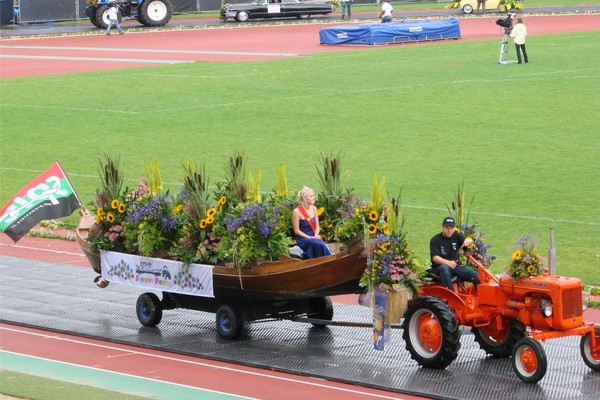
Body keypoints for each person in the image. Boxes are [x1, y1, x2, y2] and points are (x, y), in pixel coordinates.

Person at [429, 216, 480, 292]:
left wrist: (468, 241)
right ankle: (452, 295)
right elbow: (435, 258)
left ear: (454, 228)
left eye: (451, 228)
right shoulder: (435, 240)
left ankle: (481, 297)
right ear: (442, 227)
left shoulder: (457, 236)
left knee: (475, 276)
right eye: (447, 228)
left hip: (455, 266)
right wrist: (448, 263)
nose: (449, 230)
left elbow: (467, 243)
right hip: (439, 267)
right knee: (444, 267)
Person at [292, 186, 332, 259]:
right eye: (311, 196)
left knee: (321, 244)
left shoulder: (314, 208)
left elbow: (317, 226)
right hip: (303, 238)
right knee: (320, 245)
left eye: (314, 195)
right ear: (304, 198)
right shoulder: (297, 212)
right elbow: (296, 231)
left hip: (314, 236)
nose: (314, 197)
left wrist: (316, 235)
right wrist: (309, 237)